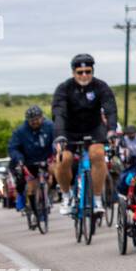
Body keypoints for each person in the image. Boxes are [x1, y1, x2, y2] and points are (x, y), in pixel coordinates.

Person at [51, 53, 118, 217]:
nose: (84, 75)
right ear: (73, 72)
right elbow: (59, 113)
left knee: (98, 154)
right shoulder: (64, 88)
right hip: (69, 131)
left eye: (88, 71)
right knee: (63, 159)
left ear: (92, 71)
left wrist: (111, 131)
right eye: (80, 72)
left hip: (94, 128)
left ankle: (97, 200)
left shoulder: (101, 86)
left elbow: (110, 109)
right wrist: (60, 136)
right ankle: (66, 196)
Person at [7, 105, 55, 228]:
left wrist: (55, 155)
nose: (35, 122)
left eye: (37, 119)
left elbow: (56, 141)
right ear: (27, 120)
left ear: (42, 117)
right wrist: (20, 159)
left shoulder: (50, 127)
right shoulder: (20, 131)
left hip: (46, 159)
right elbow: (13, 148)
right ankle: (34, 211)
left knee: (52, 175)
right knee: (31, 187)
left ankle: (48, 196)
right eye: (32, 120)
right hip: (29, 161)